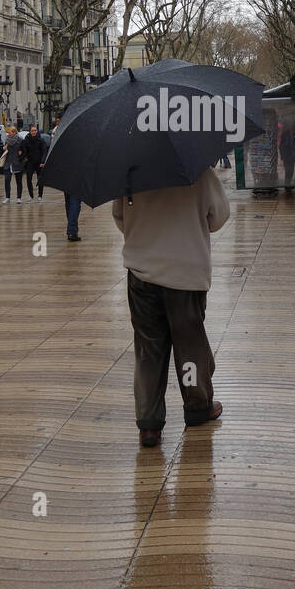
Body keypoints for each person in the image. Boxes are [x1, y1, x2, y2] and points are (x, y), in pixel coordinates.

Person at [112, 167, 230, 448]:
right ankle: (198, 406)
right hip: (185, 273)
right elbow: (219, 218)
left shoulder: (129, 170)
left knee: (148, 349)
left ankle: (149, 424)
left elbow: (120, 218)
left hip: (142, 273)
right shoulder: (198, 170)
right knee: (189, 344)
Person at [21, 124, 49, 200]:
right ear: (30, 131)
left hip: (39, 162)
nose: (34, 132)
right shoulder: (26, 140)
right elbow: (24, 150)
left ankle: (40, 195)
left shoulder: (41, 140)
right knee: (28, 179)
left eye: (35, 130)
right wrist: (21, 155)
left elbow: (44, 151)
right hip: (30, 162)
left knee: (40, 179)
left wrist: (43, 162)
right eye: (32, 131)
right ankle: (31, 196)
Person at [2, 126, 24, 203]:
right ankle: (7, 197)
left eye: (10, 132)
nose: (8, 134)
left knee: (19, 181)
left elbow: (24, 150)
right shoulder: (7, 140)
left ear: (14, 132)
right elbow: (5, 150)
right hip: (8, 163)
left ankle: (19, 198)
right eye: (8, 132)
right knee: (7, 180)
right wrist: (4, 148)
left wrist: (21, 153)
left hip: (17, 162)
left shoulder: (20, 140)